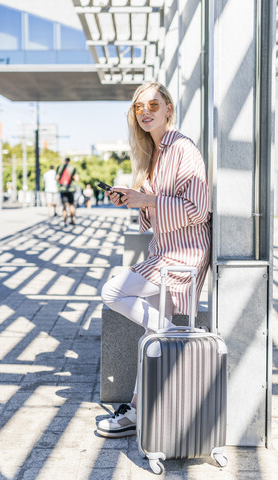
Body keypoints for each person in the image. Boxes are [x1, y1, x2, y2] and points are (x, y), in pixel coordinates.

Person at [97, 82, 211, 438]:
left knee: (113, 293)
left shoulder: (183, 148)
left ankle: (174, 334)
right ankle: (135, 410)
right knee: (147, 329)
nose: (145, 111)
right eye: (138, 108)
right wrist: (133, 199)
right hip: (165, 250)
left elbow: (197, 210)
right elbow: (152, 213)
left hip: (183, 253)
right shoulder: (155, 153)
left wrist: (145, 201)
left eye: (153, 105)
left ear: (168, 110)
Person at [56, 157, 79, 225]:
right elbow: (77, 179)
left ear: (64, 161)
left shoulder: (59, 167)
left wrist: (60, 182)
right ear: (69, 161)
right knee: (71, 205)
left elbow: (56, 178)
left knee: (64, 205)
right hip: (70, 189)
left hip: (63, 189)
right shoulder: (72, 167)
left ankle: (65, 221)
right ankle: (72, 220)